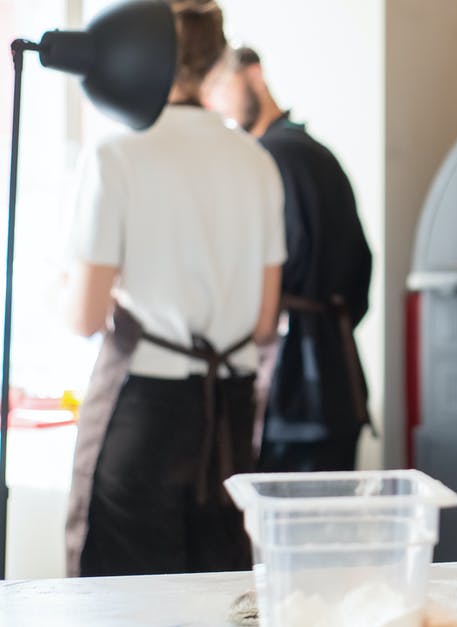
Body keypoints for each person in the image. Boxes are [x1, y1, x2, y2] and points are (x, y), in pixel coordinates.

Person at [62, 0, 285, 577]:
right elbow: (264, 325)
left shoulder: (116, 155)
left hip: (145, 408)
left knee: (127, 600)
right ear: (216, 64)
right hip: (229, 419)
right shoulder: (256, 160)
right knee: (220, 593)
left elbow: (84, 317)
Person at [204, 46, 374, 472]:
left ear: (254, 75)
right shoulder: (317, 152)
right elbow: (361, 273)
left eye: (222, 84)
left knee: (278, 527)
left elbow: (259, 276)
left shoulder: (268, 158)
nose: (217, 102)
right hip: (337, 375)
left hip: (290, 385)